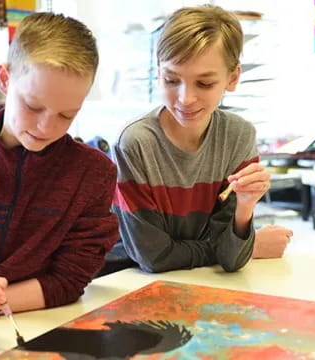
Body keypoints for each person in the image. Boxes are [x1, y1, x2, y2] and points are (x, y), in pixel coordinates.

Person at [0, 13, 119, 331]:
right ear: (4, 79)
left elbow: (69, 279)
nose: (46, 127)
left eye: (66, 115)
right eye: (33, 106)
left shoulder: (93, 174)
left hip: (34, 325)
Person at [110, 5, 292, 274]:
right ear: (159, 73)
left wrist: (245, 207)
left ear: (232, 78)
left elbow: (231, 260)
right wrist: (249, 246)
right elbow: (154, 258)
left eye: (204, 84)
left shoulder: (238, 136)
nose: (185, 98)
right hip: (132, 283)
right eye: (171, 80)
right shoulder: (135, 142)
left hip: (203, 284)